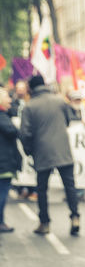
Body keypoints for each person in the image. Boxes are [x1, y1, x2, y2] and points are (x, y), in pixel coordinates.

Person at [19, 76, 80, 235]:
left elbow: (25, 133)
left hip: (42, 151)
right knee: (70, 187)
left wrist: (29, 151)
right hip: (63, 150)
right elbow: (68, 121)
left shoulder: (29, 106)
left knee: (42, 189)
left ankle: (44, 223)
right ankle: (75, 216)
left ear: (31, 88)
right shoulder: (59, 101)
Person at [0, 89, 22, 233]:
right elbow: (13, 131)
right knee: (2, 195)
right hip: (4, 164)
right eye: (7, 97)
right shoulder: (2, 116)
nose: (10, 100)